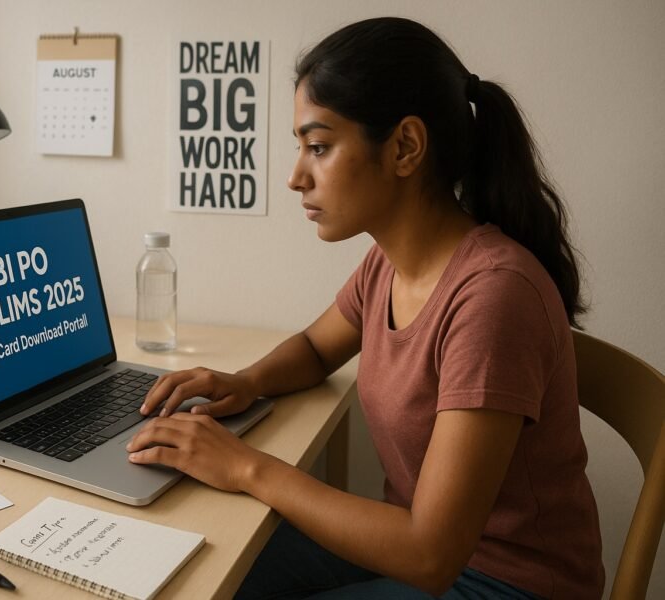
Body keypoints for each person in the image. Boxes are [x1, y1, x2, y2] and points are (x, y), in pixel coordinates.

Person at [126, 17, 604, 599]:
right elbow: (314, 348)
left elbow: (430, 555)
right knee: (207, 564)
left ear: (404, 146)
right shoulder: (388, 264)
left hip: (502, 583)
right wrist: (246, 381)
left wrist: (246, 466)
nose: (295, 176)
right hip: (415, 551)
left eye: (319, 147)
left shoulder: (493, 298)